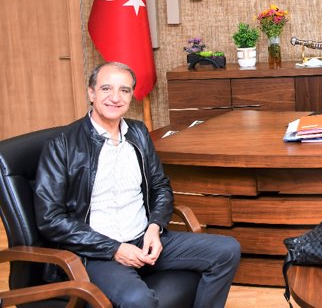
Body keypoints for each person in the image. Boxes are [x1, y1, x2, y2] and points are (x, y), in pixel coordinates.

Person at [34, 61, 240, 308]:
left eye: (124, 90)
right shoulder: (62, 144)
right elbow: (50, 218)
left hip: (144, 239)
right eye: (106, 89)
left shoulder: (138, 133)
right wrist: (114, 248)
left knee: (227, 250)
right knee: (139, 300)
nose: (115, 98)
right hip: (97, 252)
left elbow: (160, 186)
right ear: (91, 93)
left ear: (131, 95)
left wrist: (155, 227)